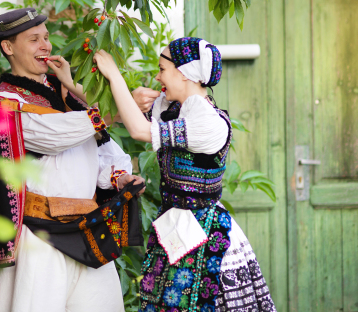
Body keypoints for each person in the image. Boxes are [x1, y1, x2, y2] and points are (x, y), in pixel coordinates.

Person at [0, 8, 146, 312]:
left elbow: (104, 151)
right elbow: (55, 136)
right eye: (34, 39)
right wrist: (117, 109)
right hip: (40, 237)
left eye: (46, 38)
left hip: (87, 230)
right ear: (8, 47)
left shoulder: (68, 98)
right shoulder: (3, 107)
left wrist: (119, 177)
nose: (45, 46)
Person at [93, 38, 276, 312]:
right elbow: (113, 114)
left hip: (205, 232)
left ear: (183, 72)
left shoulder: (208, 123)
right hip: (174, 228)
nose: (157, 76)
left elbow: (139, 131)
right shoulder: (173, 110)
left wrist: (115, 75)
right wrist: (66, 82)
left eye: (162, 69)